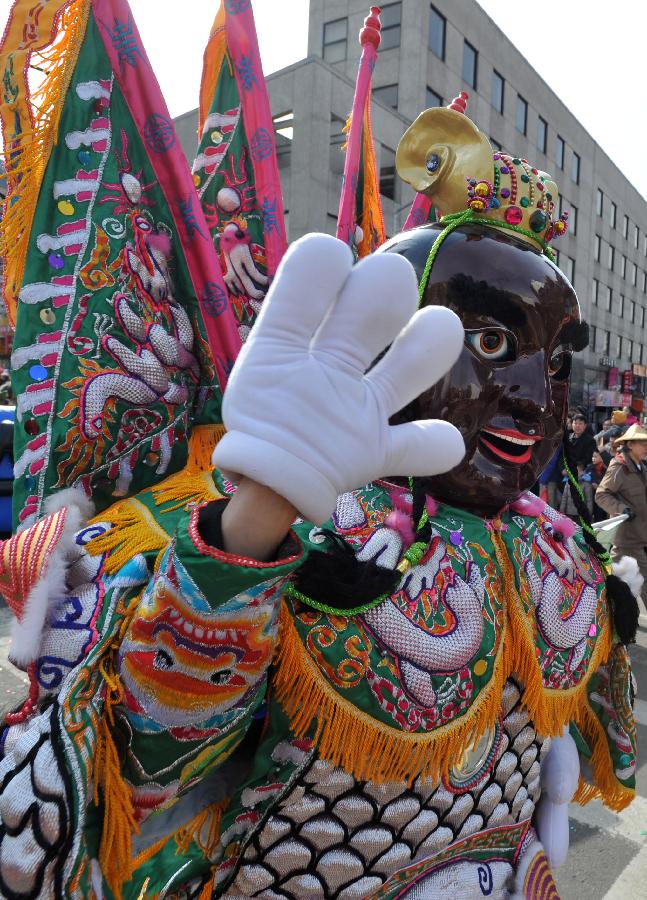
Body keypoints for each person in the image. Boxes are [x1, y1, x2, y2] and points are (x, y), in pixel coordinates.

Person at [0, 102, 641, 900]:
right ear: (384, 339)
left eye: (551, 365)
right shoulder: (254, 520)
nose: (528, 399)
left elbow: (568, 756)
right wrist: (266, 511)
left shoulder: (554, 547)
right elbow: (134, 766)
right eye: (488, 344)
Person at [596, 422, 647, 612]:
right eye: (642, 443)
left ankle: (609, 620)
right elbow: (601, 495)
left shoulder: (640, 466)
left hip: (640, 536)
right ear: (630, 444)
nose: (646, 447)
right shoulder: (620, 467)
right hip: (628, 539)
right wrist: (621, 508)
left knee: (617, 586)